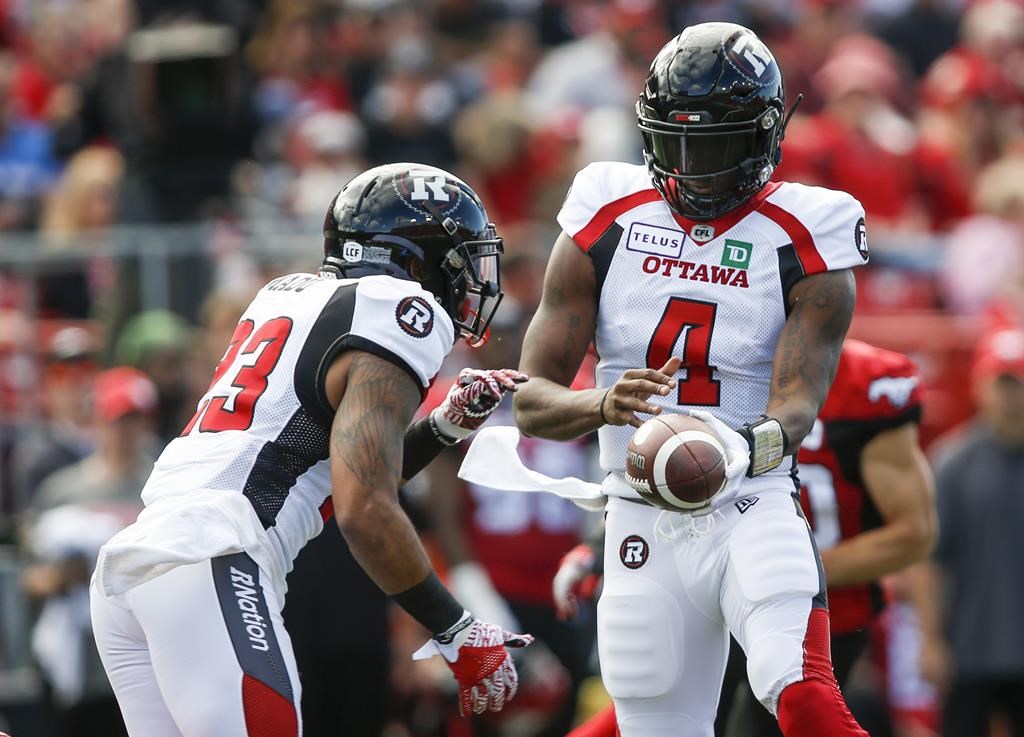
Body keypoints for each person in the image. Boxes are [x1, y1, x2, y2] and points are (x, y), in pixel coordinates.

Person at [513, 22, 871, 737]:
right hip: (639, 509)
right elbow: (530, 398)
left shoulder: (809, 231)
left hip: (750, 499)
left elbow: (796, 408)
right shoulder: (607, 211)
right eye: (677, 143)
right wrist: (600, 401)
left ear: (766, 135)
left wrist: (735, 450)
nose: (696, 167)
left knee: (803, 698)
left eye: (717, 144)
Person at [89, 163, 532, 737]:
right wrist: (456, 629)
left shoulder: (289, 294)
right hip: (216, 557)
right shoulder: (398, 311)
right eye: (464, 257)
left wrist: (444, 426)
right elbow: (363, 508)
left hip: (145, 562)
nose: (475, 279)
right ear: (418, 257)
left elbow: (335, 474)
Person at [554, 339, 938, 737]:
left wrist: (782, 567)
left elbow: (914, 534)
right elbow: (680, 485)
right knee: (647, 711)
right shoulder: (717, 369)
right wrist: (599, 548)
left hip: (817, 610)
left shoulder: (868, 384)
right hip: (708, 583)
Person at [914, 328, 1024, 737]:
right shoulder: (952, 464)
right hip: (970, 649)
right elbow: (929, 561)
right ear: (980, 385)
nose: (1011, 398)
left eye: (1018, 384)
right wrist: (931, 641)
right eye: (1003, 384)